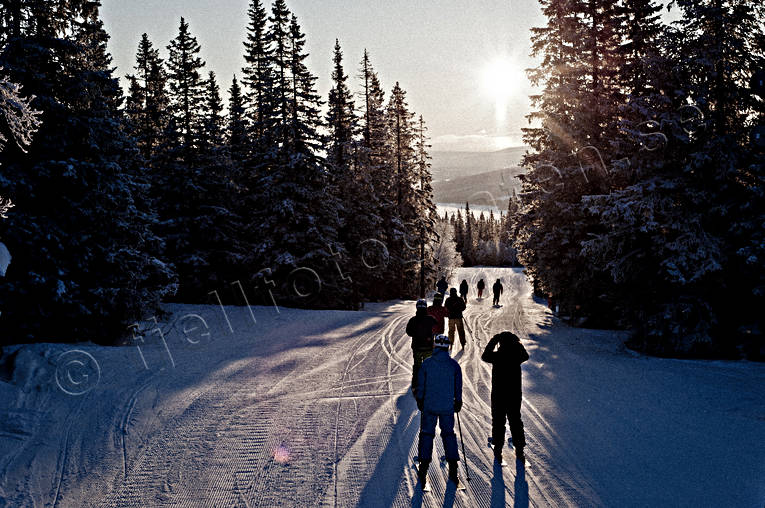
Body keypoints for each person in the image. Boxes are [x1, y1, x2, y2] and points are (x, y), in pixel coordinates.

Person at [415, 334, 463, 489]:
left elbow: (421, 384)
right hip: (447, 407)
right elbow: (458, 386)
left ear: (435, 346)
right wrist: (458, 401)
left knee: (427, 433)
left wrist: (420, 399)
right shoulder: (454, 365)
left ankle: (423, 467)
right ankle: (453, 467)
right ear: (448, 347)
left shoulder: (427, 364)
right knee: (448, 434)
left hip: (429, 406)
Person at [481, 331, 529, 463]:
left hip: (498, 394)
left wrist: (493, 340)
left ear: (500, 343)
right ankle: (519, 449)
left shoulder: (497, 356)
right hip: (514, 394)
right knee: (515, 420)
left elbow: (484, 356)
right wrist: (517, 342)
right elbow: (526, 355)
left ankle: (498, 448)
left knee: (498, 420)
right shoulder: (517, 356)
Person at [406, 299, 438, 395]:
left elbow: (408, 332)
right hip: (428, 347)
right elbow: (436, 325)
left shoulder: (413, 320)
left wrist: (416, 333)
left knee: (417, 366)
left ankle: (416, 385)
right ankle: (429, 384)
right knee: (428, 366)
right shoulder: (430, 319)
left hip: (417, 348)